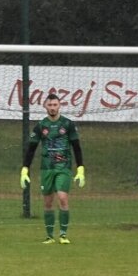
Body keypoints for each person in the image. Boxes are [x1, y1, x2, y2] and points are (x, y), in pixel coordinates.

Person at [20, 93, 85, 244]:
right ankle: (49, 236)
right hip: (46, 169)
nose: (52, 108)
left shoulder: (68, 124)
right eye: (50, 105)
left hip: (63, 168)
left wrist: (80, 168)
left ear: (59, 105)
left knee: (62, 197)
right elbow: (31, 149)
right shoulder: (41, 126)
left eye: (55, 105)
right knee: (48, 202)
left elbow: (76, 147)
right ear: (45, 106)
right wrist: (25, 169)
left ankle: (63, 235)